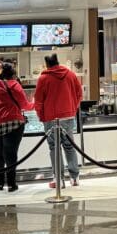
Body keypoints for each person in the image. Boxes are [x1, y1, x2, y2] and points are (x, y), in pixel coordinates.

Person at [0, 63, 31, 192]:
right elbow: (24, 105)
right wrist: (36, 104)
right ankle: (11, 184)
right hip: (12, 123)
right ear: (13, 75)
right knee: (10, 153)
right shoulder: (15, 85)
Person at [35, 53, 83, 188]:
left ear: (47, 64)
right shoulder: (71, 75)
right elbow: (79, 94)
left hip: (50, 119)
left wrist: (40, 116)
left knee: (54, 147)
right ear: (58, 62)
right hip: (68, 116)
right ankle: (75, 178)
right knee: (69, 146)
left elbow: (38, 101)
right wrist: (73, 109)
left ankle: (59, 179)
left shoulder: (43, 79)